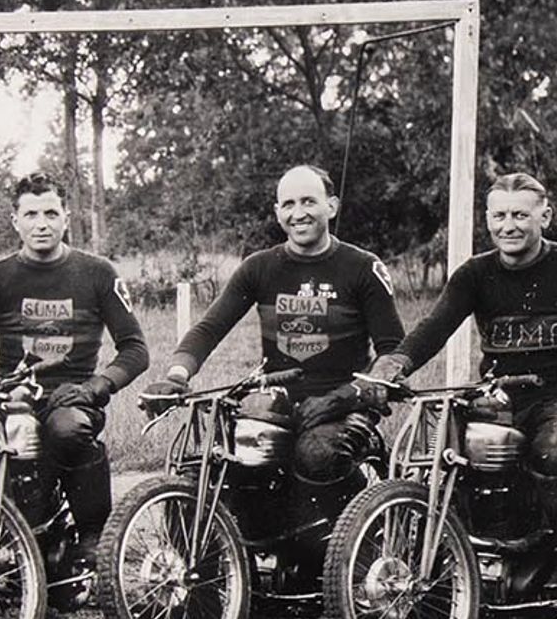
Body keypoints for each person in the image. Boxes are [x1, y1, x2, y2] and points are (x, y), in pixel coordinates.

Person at [368, 172, 557, 593]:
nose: (508, 225)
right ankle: (467, 548)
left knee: (556, 450)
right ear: (487, 219)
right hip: (499, 397)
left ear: (544, 216)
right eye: (499, 215)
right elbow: (435, 326)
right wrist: (397, 362)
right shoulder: (476, 274)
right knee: (442, 450)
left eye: (520, 214)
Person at [0, 172, 147, 582]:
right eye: (31, 214)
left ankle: (93, 537)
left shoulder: (98, 273)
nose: (42, 223)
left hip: (73, 396)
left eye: (51, 212)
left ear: (66, 217)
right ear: (15, 220)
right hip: (9, 394)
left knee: (67, 430)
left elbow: (135, 349)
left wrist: (96, 388)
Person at [143, 164, 405, 537]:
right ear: (277, 212)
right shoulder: (260, 267)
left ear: (331, 206)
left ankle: (355, 544)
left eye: (309, 201)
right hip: (276, 405)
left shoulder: (362, 267)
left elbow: (392, 351)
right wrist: (176, 376)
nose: (298, 213)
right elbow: (209, 328)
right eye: (289, 204)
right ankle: (215, 583)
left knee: (316, 455)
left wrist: (346, 397)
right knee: (202, 469)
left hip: (344, 406)